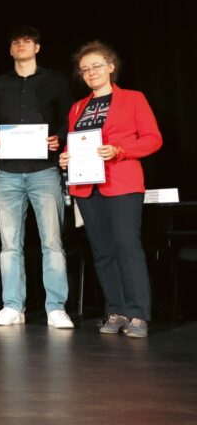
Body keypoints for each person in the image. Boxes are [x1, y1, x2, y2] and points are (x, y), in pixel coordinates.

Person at [59, 41, 161, 338]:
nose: (91, 72)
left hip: (122, 183)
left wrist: (120, 150)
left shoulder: (133, 98)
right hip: (86, 187)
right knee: (102, 252)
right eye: (85, 69)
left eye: (96, 66)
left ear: (111, 66)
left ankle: (139, 315)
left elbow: (153, 139)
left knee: (127, 246)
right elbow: (76, 142)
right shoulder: (78, 106)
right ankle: (115, 311)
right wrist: (65, 156)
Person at [0, 26, 75, 328]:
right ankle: (13, 305)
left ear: (37, 47)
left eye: (27, 41)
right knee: (9, 244)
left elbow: (66, 119)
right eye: (15, 41)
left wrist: (58, 138)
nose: (21, 45)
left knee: (52, 241)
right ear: (10, 50)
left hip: (44, 171)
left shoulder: (55, 80)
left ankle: (56, 307)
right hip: (8, 172)